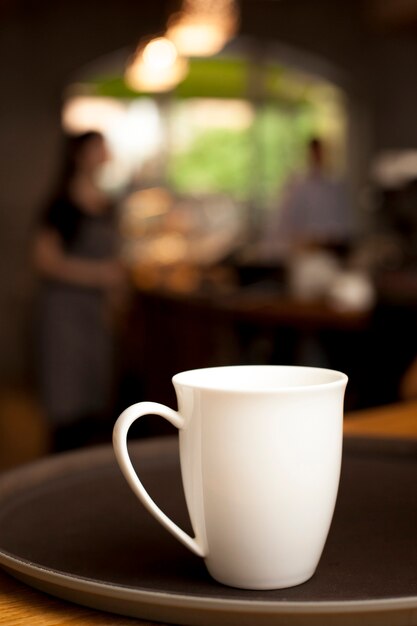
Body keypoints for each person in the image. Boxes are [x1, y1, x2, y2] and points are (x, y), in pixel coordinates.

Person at [33, 131, 126, 451]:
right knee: (65, 397)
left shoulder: (108, 204)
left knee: (94, 398)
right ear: (79, 154)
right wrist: (99, 275)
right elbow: (45, 261)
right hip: (64, 314)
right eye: (98, 147)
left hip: (95, 316)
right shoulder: (61, 204)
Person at [261, 137, 354, 260]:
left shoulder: (336, 186)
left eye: (321, 153)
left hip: (332, 252)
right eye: (315, 153)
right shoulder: (298, 186)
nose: (318, 157)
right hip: (304, 253)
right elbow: (286, 227)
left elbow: (344, 228)